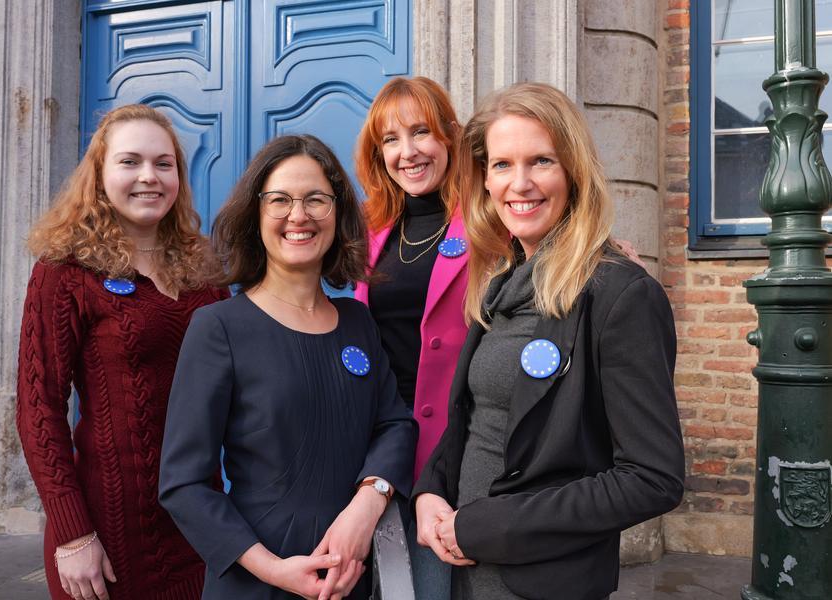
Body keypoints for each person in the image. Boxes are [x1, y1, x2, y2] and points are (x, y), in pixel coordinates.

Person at [412, 82, 685, 600]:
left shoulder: (619, 295)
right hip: (465, 576)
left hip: (543, 584)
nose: (520, 184)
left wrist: (493, 529)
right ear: (484, 180)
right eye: (501, 165)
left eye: (541, 161)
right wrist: (431, 489)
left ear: (573, 172)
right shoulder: (500, 283)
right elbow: (475, 422)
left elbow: (653, 477)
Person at [158, 134, 416, 600]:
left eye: (316, 199)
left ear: (338, 213)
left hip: (352, 577)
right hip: (257, 581)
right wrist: (273, 570)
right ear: (255, 214)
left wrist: (367, 503)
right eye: (279, 200)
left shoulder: (358, 321)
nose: (298, 215)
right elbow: (184, 485)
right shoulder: (219, 327)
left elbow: (395, 424)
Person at [16, 104, 229, 600]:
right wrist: (72, 532)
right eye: (130, 162)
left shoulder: (204, 270)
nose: (148, 177)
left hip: (199, 521)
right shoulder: (66, 270)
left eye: (163, 163)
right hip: (104, 533)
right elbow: (37, 406)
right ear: (101, 173)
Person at [353, 75, 468, 600]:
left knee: (437, 583)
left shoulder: (488, 221)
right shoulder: (370, 228)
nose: (408, 152)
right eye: (390, 140)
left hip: (457, 448)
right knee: (392, 584)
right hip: (381, 443)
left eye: (420, 132)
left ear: (448, 135)